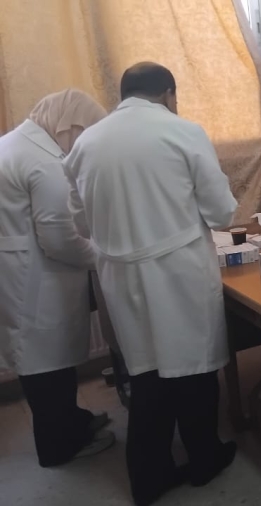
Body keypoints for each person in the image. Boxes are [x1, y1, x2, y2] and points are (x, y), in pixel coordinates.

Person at [64, 62, 238, 506]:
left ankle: (149, 477)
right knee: (195, 369)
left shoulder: (86, 143)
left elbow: (80, 222)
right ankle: (204, 460)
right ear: (167, 93)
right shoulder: (182, 132)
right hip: (177, 270)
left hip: (121, 276)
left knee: (146, 375)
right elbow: (222, 213)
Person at [0, 89, 115, 467]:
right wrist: (106, 258)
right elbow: (59, 239)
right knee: (47, 367)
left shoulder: (14, 143)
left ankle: (73, 421)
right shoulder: (43, 161)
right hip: (35, 281)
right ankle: (59, 447)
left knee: (46, 362)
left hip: (19, 274)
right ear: (69, 126)